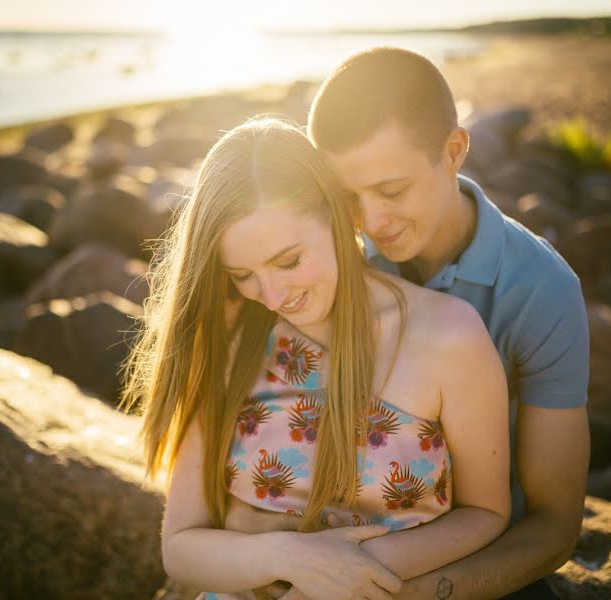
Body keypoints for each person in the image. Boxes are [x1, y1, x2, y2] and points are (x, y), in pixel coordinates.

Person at [225, 47, 591, 599]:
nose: (371, 222)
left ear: (454, 151)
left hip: (469, 564)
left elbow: (554, 525)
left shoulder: (544, 291)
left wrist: (403, 593)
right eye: (347, 196)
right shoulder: (323, 262)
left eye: (392, 191)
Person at [119, 117, 512, 599]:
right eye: (243, 274)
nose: (273, 294)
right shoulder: (231, 337)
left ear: (337, 213)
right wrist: (289, 558)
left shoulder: (449, 335)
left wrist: (346, 573)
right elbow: (180, 548)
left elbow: (486, 513)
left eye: (288, 262)